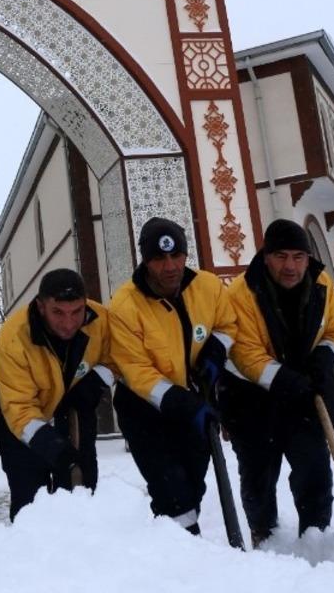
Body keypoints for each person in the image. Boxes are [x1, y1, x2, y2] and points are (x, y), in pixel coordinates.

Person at [221, 219, 334, 547]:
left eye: (298, 256)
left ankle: (317, 538)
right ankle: (265, 538)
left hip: (305, 396)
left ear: (308, 258)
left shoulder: (321, 284)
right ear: (265, 256)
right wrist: (283, 379)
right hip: (251, 399)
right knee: (259, 475)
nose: (290, 266)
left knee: (315, 468)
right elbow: (243, 352)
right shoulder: (241, 293)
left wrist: (325, 356)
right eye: (280, 256)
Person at [108, 217, 237, 535]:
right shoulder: (125, 306)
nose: (170, 266)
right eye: (159, 258)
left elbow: (228, 323)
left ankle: (177, 549)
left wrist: (215, 352)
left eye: (176, 255)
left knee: (193, 484)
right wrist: (185, 404)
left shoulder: (207, 287)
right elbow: (136, 371)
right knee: (172, 492)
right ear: (146, 261)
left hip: (195, 396)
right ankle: (184, 561)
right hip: (144, 410)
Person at [0, 268, 115, 519]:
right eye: (58, 312)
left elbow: (120, 357)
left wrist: (96, 380)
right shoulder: (14, 337)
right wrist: (50, 444)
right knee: (29, 500)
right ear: (41, 307)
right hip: (20, 418)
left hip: (75, 407)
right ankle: (32, 549)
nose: (69, 323)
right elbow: (18, 406)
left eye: (76, 312)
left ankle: (82, 541)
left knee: (81, 487)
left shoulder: (100, 320)